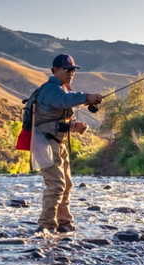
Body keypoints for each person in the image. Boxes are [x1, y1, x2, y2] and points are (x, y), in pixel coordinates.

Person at [28, 54, 102, 234]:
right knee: (56, 185)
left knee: (66, 184)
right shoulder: (50, 89)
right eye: (67, 69)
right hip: (44, 142)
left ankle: (64, 222)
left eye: (73, 70)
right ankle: (46, 226)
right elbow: (64, 101)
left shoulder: (63, 90)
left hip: (57, 143)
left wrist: (75, 126)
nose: (71, 73)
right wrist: (87, 97)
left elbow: (58, 116)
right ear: (55, 70)